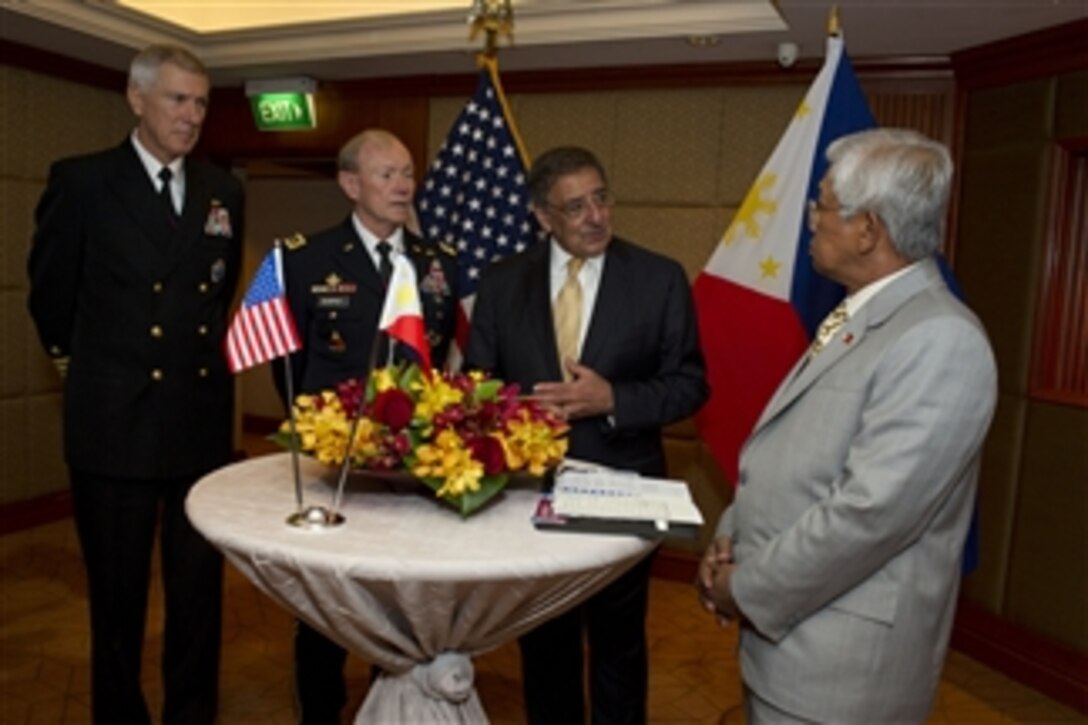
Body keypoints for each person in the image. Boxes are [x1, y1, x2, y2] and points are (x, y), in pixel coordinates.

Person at [696, 128, 998, 723]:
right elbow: (788, 454)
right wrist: (732, 537)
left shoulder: (940, 339)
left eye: (823, 207)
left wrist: (745, 588)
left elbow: (868, 515)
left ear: (869, 231)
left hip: (840, 677)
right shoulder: (861, 314)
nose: (811, 221)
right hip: (793, 652)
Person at [26, 45, 243, 723]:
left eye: (202, 102)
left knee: (198, 596)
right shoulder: (84, 182)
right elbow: (50, 298)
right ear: (137, 98)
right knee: (116, 602)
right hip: (113, 424)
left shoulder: (223, 190)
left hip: (197, 425)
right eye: (178, 99)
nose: (192, 115)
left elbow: (215, 294)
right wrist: (95, 371)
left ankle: (191, 714)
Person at [464, 145, 709, 724]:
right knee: (545, 647)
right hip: (528, 494)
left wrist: (613, 400)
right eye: (575, 207)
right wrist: (513, 416)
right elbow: (478, 385)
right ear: (543, 217)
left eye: (601, 198)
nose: (595, 216)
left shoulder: (658, 278)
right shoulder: (502, 282)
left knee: (617, 648)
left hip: (625, 493)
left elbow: (690, 385)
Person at [273, 128, 458, 724]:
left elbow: (445, 355)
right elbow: (289, 365)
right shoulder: (304, 258)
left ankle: (393, 710)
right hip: (336, 465)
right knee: (326, 605)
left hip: (412, 468)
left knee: (403, 607)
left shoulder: (436, 262)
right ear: (351, 184)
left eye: (408, 173)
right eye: (387, 175)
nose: (404, 185)